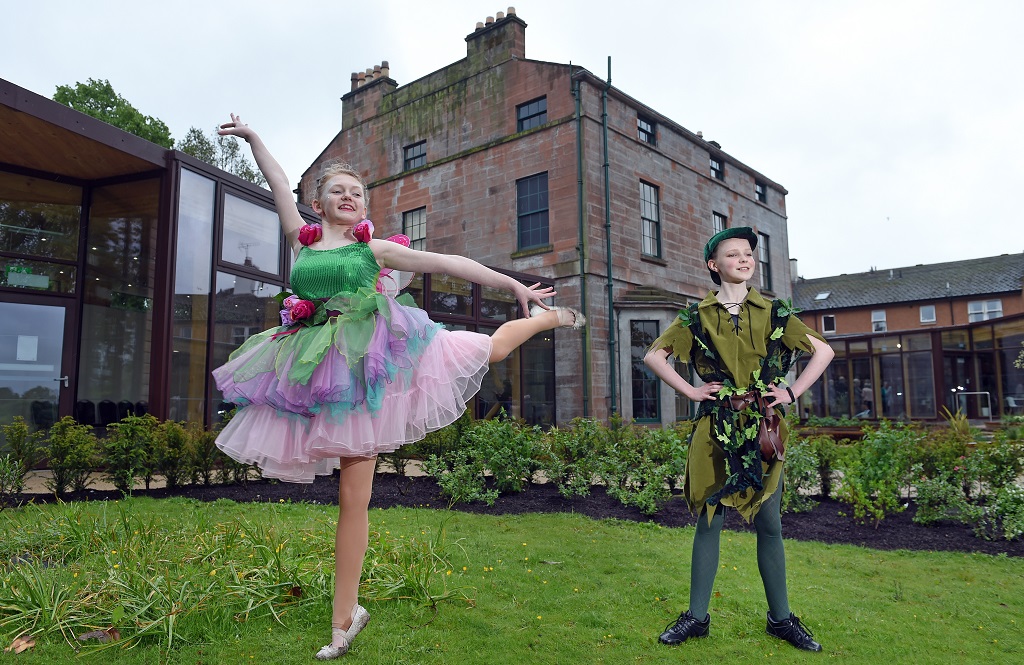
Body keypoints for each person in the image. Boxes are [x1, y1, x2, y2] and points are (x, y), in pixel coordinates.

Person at [212, 114, 585, 660]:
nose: (348, 196)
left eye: (357, 192)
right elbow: (276, 181)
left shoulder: (376, 250)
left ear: (364, 207)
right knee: (350, 500)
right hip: (316, 366)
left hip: (374, 362)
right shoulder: (302, 242)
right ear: (318, 204)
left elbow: (447, 261)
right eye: (337, 190)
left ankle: (546, 320)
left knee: (491, 349)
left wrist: (508, 282)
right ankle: (345, 622)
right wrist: (254, 139)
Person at [643, 227, 834, 652]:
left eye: (748, 253)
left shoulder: (775, 312)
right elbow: (654, 355)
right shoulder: (696, 316)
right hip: (716, 426)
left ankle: (781, 620)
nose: (744, 259)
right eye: (733, 254)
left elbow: (823, 351)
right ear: (715, 265)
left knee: (769, 523)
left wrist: (791, 391)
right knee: (709, 517)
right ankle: (696, 618)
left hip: (765, 427)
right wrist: (691, 391)